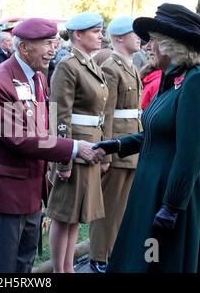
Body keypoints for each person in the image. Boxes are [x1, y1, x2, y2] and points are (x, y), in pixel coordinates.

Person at [95, 3, 200, 272]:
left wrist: (172, 205)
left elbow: (191, 153)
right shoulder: (172, 78)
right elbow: (157, 134)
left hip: (172, 195)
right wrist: (116, 145)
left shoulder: (197, 81)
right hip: (151, 188)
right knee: (142, 260)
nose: (147, 47)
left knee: (160, 261)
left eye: (153, 41)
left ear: (171, 45)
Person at [0, 18, 104, 273]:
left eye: (53, 42)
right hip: (7, 193)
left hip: (32, 191)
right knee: (4, 268)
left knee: (24, 264)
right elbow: (19, 138)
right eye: (46, 43)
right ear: (24, 47)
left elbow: (43, 126)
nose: (53, 49)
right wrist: (74, 148)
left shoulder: (38, 77)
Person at [46, 12, 108, 273]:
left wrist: (103, 150)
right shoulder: (68, 65)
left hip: (90, 148)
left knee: (75, 216)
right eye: (96, 31)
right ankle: (60, 270)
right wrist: (64, 159)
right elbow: (59, 113)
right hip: (74, 149)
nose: (101, 36)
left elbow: (99, 113)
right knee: (63, 215)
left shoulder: (89, 63)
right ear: (78, 35)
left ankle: (68, 267)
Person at [88, 16, 142, 273]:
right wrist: (107, 152)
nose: (139, 38)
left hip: (130, 147)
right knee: (109, 206)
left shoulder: (129, 66)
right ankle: (99, 256)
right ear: (119, 37)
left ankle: (111, 254)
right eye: (134, 34)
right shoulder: (111, 67)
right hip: (118, 147)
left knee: (122, 207)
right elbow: (106, 114)